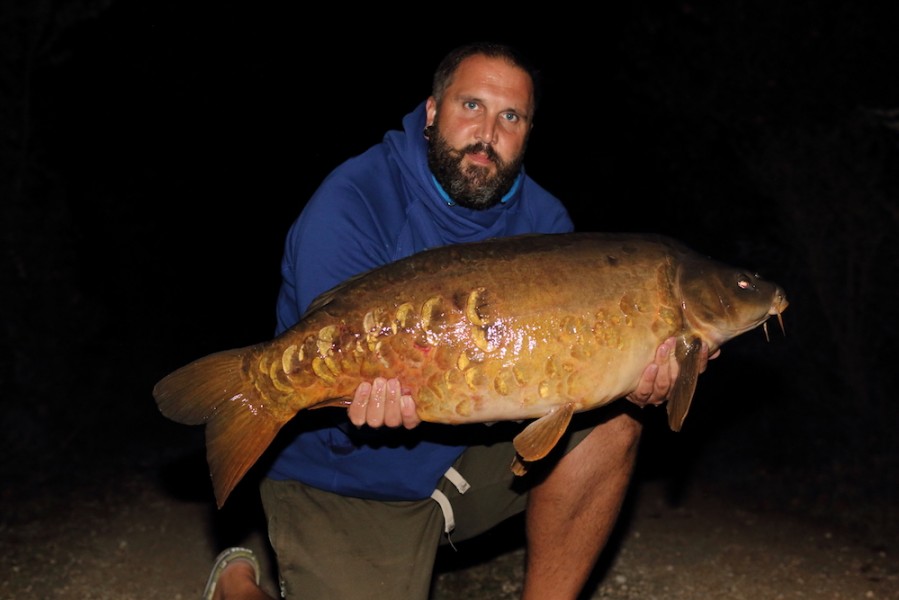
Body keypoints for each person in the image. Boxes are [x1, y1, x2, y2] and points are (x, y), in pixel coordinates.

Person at [202, 41, 713, 600]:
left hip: (466, 455)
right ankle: (238, 578)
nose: (487, 132)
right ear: (431, 112)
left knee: (614, 423)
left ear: (528, 131)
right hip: (341, 476)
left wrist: (630, 380)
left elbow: (567, 376)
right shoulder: (354, 198)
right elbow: (332, 336)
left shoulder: (547, 222)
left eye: (510, 116)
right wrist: (356, 395)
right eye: (471, 106)